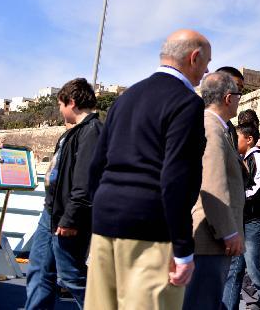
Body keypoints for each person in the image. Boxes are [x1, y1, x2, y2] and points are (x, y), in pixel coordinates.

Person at [86, 29, 211, 310]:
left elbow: (97, 166)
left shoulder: (126, 98)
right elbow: (176, 179)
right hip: (151, 229)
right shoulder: (187, 102)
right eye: (206, 62)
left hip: (105, 223)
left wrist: (100, 215)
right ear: (194, 57)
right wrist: (182, 248)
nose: (207, 70)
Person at [25, 78, 102, 310]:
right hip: (51, 214)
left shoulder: (92, 131)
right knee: (39, 271)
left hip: (67, 217)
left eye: (60, 105)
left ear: (71, 102)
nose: (59, 111)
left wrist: (71, 218)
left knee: (71, 276)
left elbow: (85, 181)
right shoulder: (74, 132)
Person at [183, 72, 246, 309]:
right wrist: (228, 232)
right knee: (202, 302)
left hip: (210, 235)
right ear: (229, 98)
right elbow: (212, 182)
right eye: (239, 95)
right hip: (210, 239)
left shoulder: (212, 127)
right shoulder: (212, 128)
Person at [222, 122, 260, 310]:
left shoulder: (257, 157)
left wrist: (235, 197)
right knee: (234, 271)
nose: (235, 143)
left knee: (256, 271)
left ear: (249, 139)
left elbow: (257, 189)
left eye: (238, 138)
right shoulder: (243, 159)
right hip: (241, 221)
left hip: (254, 223)